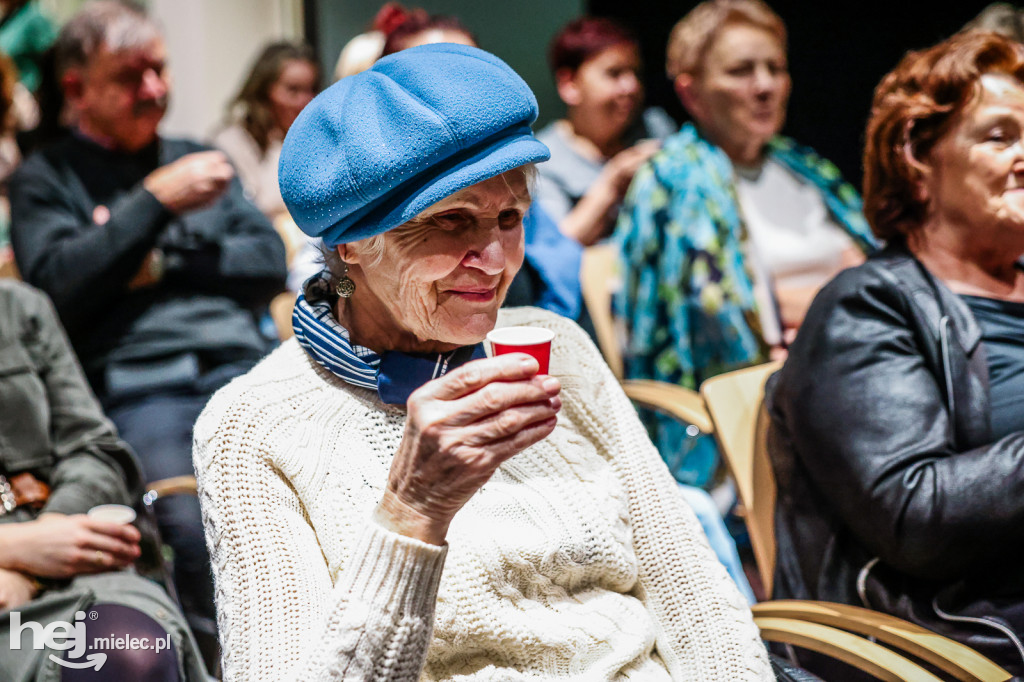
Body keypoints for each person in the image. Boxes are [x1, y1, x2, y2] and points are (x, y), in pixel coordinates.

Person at [194, 44, 773, 681]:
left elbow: (693, 595)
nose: (495, 261)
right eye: (451, 223)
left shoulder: (561, 349)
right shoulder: (252, 427)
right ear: (353, 241)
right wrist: (413, 512)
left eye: (509, 217)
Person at [8, 0, 287, 648]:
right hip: (143, 386)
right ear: (77, 87)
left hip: (247, 366)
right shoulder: (46, 179)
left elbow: (266, 261)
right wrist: (157, 201)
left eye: (159, 70)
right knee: (192, 529)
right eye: (132, 76)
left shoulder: (199, 157)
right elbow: (61, 285)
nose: (156, 89)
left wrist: (146, 258)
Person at [767, 31, 1024, 675]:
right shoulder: (868, 305)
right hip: (964, 632)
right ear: (917, 154)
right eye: (1001, 135)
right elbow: (916, 513)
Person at [614, 0, 875, 488]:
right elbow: (700, 324)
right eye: (740, 70)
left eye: (775, 68)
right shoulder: (671, 181)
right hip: (762, 398)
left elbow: (873, 268)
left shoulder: (806, 168)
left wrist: (814, 308)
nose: (764, 85)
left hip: (859, 361)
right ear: (690, 92)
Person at [0, 280, 207, 682]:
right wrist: (14, 552)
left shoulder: (17, 307)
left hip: (67, 547)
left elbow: (94, 449)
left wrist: (46, 541)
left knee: (133, 650)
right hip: (34, 562)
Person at [536, 17, 674, 246]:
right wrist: (613, 181)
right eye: (614, 73)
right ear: (569, 84)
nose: (631, 87)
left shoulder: (655, 127)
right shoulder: (543, 160)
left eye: (635, 73)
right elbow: (554, 251)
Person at [213, 41, 320, 222]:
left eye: (312, 90)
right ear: (263, 91)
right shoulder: (232, 142)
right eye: (293, 90)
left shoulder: (318, 142)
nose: (306, 101)